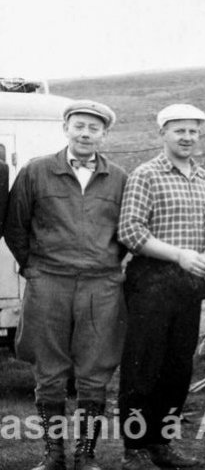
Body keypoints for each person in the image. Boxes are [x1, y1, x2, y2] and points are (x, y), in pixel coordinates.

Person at [4, 100, 127, 470]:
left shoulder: (119, 177)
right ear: (66, 129)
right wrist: (33, 268)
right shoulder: (36, 171)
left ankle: (85, 454)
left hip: (100, 285)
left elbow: (126, 230)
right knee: (49, 370)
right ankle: (52, 453)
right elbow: (15, 225)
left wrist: (106, 266)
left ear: (104, 134)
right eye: (79, 126)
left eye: (94, 127)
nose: (86, 133)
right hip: (49, 283)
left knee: (95, 371)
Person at [118, 104, 205, 470]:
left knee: (177, 371)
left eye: (193, 131)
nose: (187, 137)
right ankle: (135, 447)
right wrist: (179, 256)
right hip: (152, 281)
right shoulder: (146, 175)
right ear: (163, 134)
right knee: (143, 367)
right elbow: (130, 231)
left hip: (189, 285)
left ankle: (164, 443)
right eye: (179, 131)